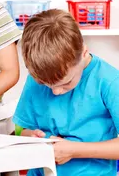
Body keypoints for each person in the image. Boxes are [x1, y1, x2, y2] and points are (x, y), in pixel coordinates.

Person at [14, 9, 119, 175]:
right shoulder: (36, 79)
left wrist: (75, 150)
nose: (55, 92)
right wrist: (30, 136)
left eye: (66, 83)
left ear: (83, 53)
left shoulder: (109, 81)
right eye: (45, 84)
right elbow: (20, 129)